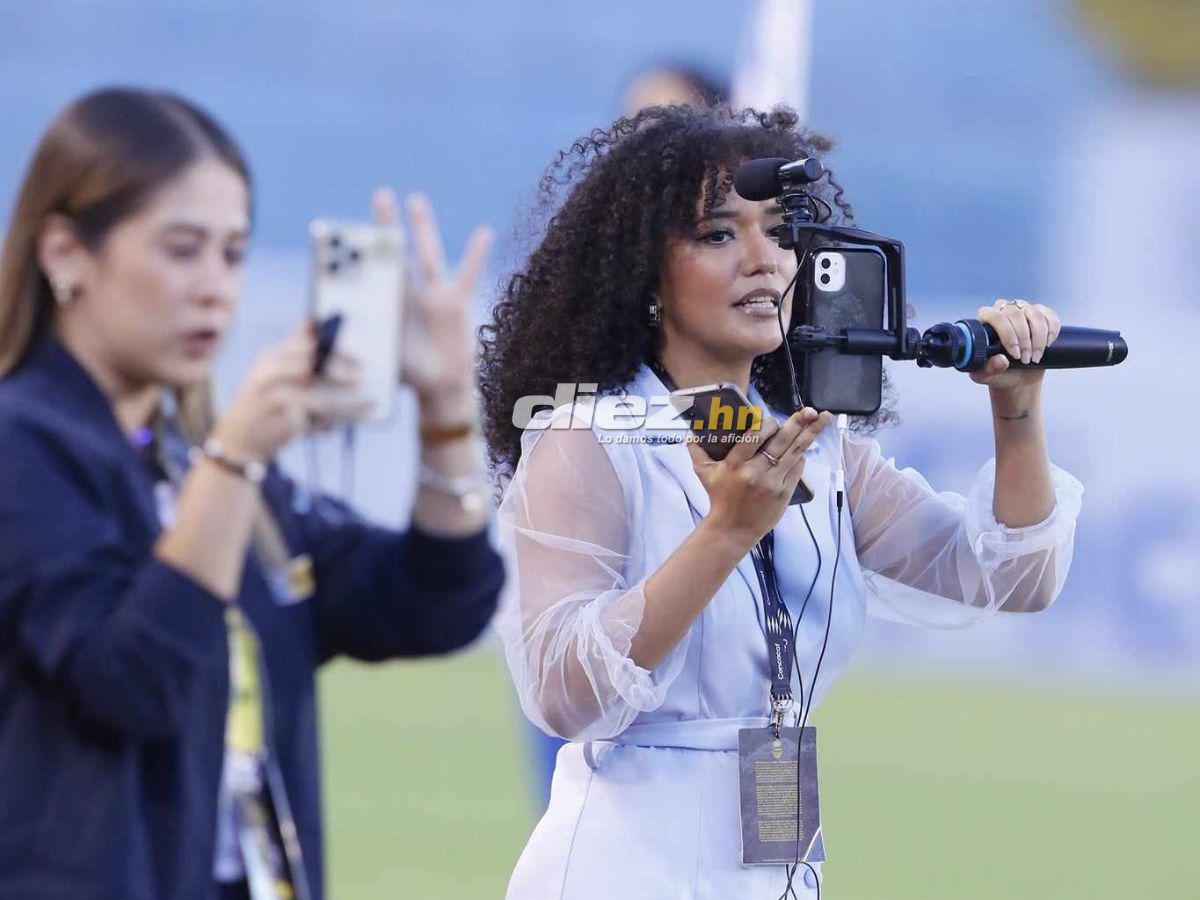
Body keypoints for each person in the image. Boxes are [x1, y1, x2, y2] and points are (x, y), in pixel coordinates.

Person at [479, 104, 1083, 898]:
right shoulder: (586, 437)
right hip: (624, 868)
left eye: (779, 232)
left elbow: (1010, 578)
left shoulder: (813, 444)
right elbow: (563, 693)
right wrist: (725, 532)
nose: (764, 261)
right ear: (645, 272)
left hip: (777, 870)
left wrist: (1017, 405)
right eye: (718, 234)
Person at [0, 87, 503, 900]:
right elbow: (129, 682)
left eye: (233, 254)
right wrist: (234, 461)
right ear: (64, 253)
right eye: (182, 250)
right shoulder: (25, 441)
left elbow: (434, 604)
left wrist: (446, 411)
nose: (215, 287)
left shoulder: (194, 462)